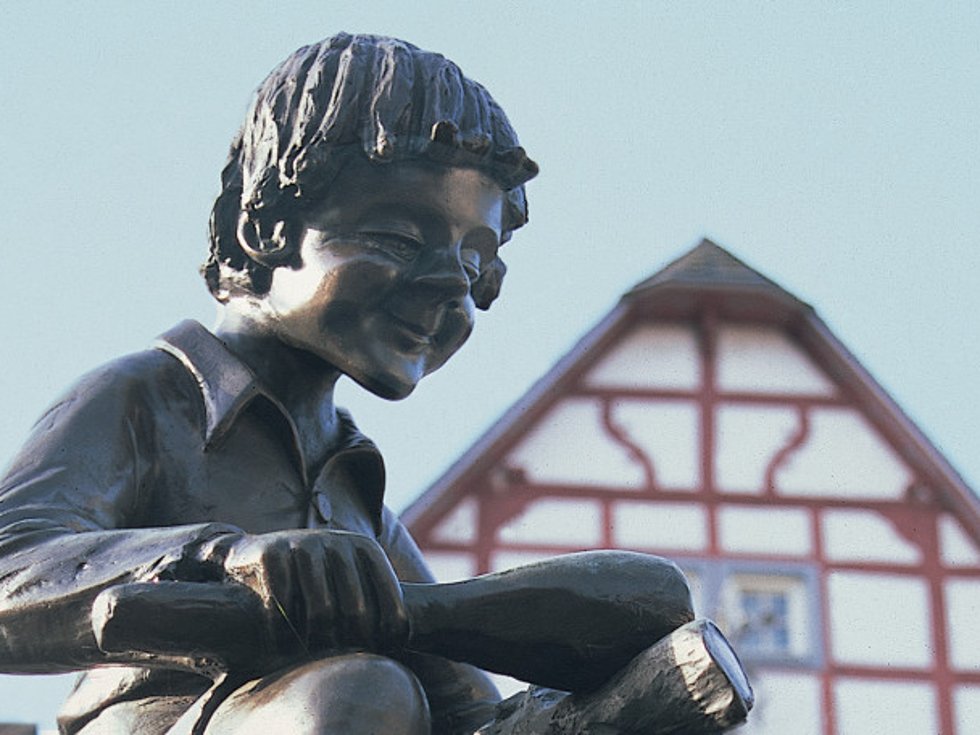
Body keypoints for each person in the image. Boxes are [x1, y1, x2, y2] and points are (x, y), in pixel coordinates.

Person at [0, 34, 746, 735]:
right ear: (261, 229)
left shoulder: (362, 503)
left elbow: (468, 711)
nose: (451, 289)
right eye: (395, 240)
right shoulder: (147, 399)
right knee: (362, 691)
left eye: (476, 264)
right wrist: (225, 557)